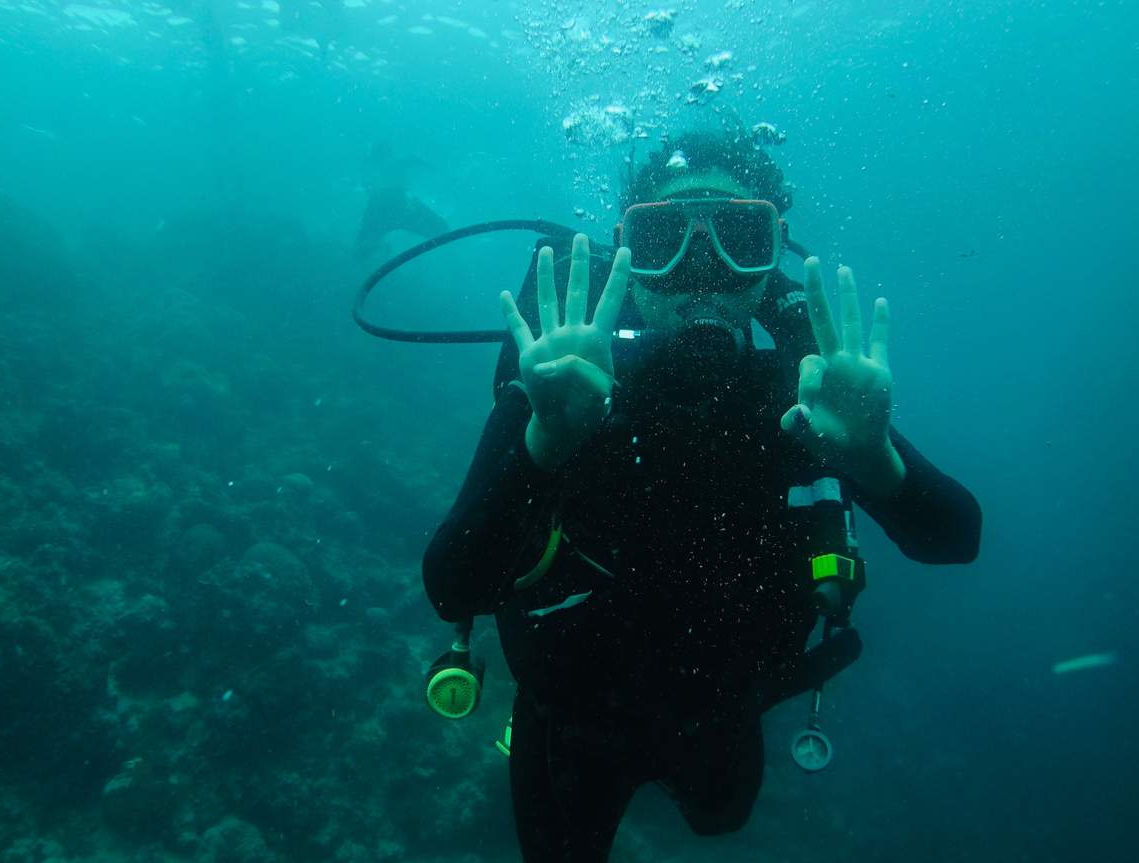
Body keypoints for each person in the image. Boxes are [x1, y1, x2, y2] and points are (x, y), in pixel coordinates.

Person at [421, 131, 982, 862]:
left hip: (723, 706)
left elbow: (956, 537)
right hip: (569, 708)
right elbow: (453, 586)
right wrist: (545, 441)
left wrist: (872, 458)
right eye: (663, 240)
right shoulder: (566, 385)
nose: (702, 270)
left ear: (772, 256)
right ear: (628, 256)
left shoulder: (809, 395)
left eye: (739, 238)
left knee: (721, 816)